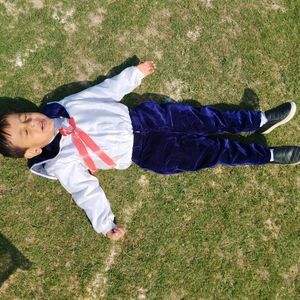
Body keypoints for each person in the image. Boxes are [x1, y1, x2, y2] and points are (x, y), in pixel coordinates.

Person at [0, 61, 299, 240]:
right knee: (212, 151)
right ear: (32, 151)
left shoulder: (67, 105)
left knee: (209, 118)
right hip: (151, 152)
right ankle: (267, 155)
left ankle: (258, 120)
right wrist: (105, 224)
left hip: (149, 117)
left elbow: (105, 91)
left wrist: (134, 75)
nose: (33, 123)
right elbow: (86, 191)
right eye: (27, 132)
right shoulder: (61, 162)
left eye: (25, 117)